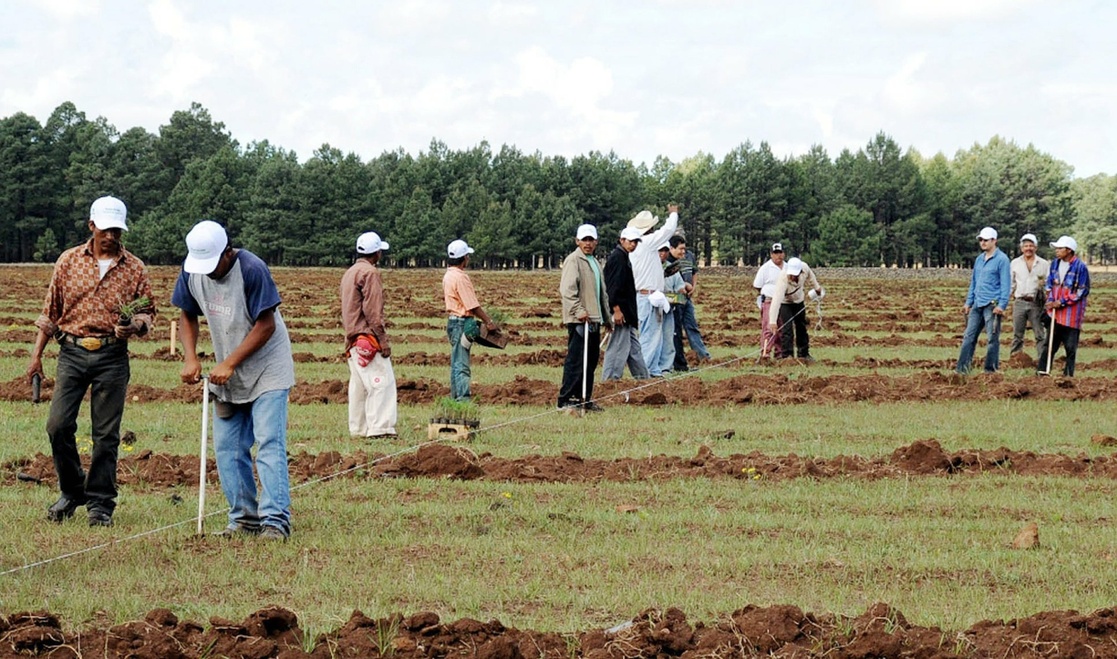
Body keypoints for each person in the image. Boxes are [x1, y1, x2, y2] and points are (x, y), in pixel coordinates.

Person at [26, 196, 155, 527]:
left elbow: (148, 313)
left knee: (106, 434)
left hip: (112, 356)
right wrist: (36, 355)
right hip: (71, 352)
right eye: (105, 229)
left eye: (117, 230)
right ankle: (72, 491)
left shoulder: (134, 268)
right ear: (91, 226)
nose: (111, 236)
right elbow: (50, 311)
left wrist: (134, 325)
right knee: (57, 425)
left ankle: (100, 504)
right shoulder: (68, 262)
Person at [173, 220, 295, 541]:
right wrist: (190, 356)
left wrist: (229, 362)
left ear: (227, 252)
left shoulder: (252, 269)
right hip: (227, 371)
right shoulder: (191, 270)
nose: (209, 272)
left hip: (268, 368)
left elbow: (266, 325)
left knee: (269, 443)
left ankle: (275, 521)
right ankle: (243, 518)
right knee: (227, 447)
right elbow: (186, 312)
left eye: (214, 265)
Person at [340, 231, 397, 439]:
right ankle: (380, 429)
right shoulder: (370, 273)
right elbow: (373, 312)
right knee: (381, 382)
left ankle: (359, 429)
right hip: (367, 337)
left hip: (352, 338)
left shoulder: (350, 272)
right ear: (377, 253)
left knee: (359, 387)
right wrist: (382, 340)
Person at [557, 224, 612, 411]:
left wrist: (607, 319)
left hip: (594, 319)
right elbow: (567, 291)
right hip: (579, 319)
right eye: (584, 240)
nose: (588, 243)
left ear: (596, 242)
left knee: (590, 361)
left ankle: (584, 399)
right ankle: (566, 400)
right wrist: (579, 311)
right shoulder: (573, 261)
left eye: (591, 240)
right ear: (577, 241)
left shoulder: (594, 262)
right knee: (576, 360)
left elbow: (601, 293)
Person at [627, 204, 680, 377]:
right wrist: (673, 214)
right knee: (649, 336)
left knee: (654, 335)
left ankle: (654, 370)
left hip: (647, 295)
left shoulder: (637, 248)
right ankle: (646, 371)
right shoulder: (647, 243)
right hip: (647, 296)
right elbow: (668, 230)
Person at [443, 239, 498, 400]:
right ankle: (462, 400)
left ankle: (455, 397)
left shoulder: (448, 275)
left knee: (455, 363)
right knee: (462, 364)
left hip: (453, 322)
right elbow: (472, 305)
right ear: (464, 258)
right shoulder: (461, 277)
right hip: (462, 323)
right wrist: (489, 321)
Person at [955, 226, 1011, 374]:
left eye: (986, 240)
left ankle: (990, 370)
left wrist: (1002, 305)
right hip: (977, 304)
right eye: (981, 240)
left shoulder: (1002, 260)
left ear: (994, 241)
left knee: (992, 339)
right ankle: (962, 369)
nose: (983, 242)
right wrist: (968, 302)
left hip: (992, 305)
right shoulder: (979, 259)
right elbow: (974, 282)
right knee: (968, 337)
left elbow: (1006, 284)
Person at [602, 227, 650, 381]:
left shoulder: (624, 257)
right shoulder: (617, 258)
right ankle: (610, 382)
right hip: (621, 311)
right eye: (631, 241)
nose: (633, 245)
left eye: (636, 242)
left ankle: (644, 379)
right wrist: (616, 309)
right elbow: (612, 287)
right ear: (622, 240)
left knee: (634, 349)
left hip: (627, 312)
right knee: (617, 348)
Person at [1042, 236, 1090, 376]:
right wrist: (1050, 300)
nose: (1057, 251)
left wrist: (1061, 302)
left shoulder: (1080, 267)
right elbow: (1049, 284)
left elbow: (1082, 290)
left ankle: (1068, 375)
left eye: (1060, 248)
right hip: (1055, 313)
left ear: (1069, 250)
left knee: (1070, 347)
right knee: (1049, 345)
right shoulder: (1055, 264)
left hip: (1071, 314)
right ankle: (1042, 372)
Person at [667, 234, 710, 371]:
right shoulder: (667, 262)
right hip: (674, 299)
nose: (683, 252)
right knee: (676, 332)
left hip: (686, 298)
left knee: (691, 326)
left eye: (684, 248)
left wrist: (693, 286)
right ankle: (677, 364)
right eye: (681, 249)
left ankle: (702, 355)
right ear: (671, 248)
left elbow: (694, 272)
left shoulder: (689, 256)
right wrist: (683, 287)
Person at [767, 257, 822, 362]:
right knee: (787, 330)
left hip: (799, 301)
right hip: (785, 303)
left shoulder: (805, 268)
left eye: (795, 274)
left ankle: (804, 354)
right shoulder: (783, 278)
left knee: (801, 327)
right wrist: (773, 321)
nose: (792, 276)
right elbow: (776, 300)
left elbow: (811, 276)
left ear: (800, 272)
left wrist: (817, 288)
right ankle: (787, 356)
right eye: (791, 274)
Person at [1009, 233, 1050, 363]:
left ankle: (1042, 361)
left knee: (1039, 334)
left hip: (1036, 303)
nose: (1028, 248)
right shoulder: (1015, 263)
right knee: (1017, 334)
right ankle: (1015, 360)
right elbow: (1011, 283)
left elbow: (1049, 284)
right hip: (1019, 302)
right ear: (1021, 248)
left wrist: (1047, 296)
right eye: (1026, 246)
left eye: (1031, 246)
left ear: (1035, 247)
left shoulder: (1043, 264)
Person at [658, 241, 690, 374]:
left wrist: (682, 291)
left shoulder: (672, 268)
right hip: (652, 307)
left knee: (669, 336)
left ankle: (666, 367)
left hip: (669, 307)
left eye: (665, 251)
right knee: (652, 338)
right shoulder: (649, 266)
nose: (663, 254)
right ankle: (652, 366)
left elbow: (680, 287)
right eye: (660, 250)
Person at [752, 243, 786, 358]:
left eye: (780, 253)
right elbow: (757, 285)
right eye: (776, 253)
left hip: (784, 302)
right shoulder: (765, 268)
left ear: (784, 254)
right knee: (769, 327)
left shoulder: (787, 267)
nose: (778, 256)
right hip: (769, 301)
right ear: (771, 255)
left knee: (782, 328)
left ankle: (780, 353)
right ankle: (765, 352)